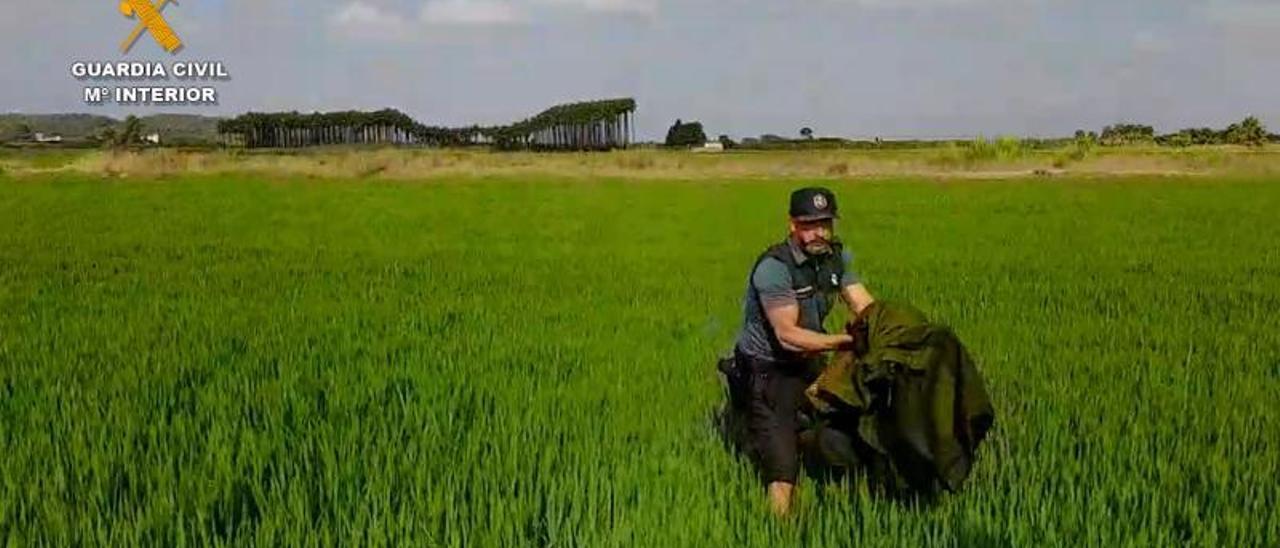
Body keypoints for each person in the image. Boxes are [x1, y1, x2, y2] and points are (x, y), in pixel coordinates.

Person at [731, 186, 876, 516]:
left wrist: (887, 329)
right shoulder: (774, 268)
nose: (819, 233)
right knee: (783, 469)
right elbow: (788, 336)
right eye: (810, 225)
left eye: (825, 224)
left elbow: (864, 305)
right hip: (768, 371)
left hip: (809, 362)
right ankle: (778, 528)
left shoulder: (833, 258)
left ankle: (848, 496)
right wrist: (847, 342)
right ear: (792, 225)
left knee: (848, 426)